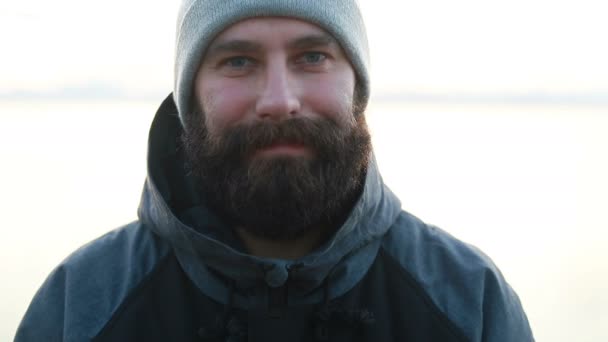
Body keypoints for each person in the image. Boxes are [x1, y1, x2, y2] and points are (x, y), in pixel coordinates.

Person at [15, 1, 534, 341]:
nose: (280, 100)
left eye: (312, 56)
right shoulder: (81, 305)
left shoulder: (468, 301)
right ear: (189, 100)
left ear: (357, 85)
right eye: (238, 61)